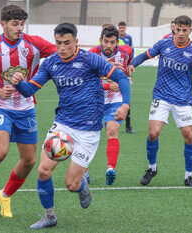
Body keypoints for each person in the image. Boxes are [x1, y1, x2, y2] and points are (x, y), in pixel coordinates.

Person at [11, 22, 131, 229]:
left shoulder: (90, 59)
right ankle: (49, 216)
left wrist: (126, 104)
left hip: (88, 131)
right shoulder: (50, 64)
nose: (62, 48)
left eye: (67, 43)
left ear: (76, 41)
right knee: (43, 171)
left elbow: (120, 77)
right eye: (58, 43)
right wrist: (18, 82)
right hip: (63, 126)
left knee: (71, 184)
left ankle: (81, 185)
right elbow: (29, 90)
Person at [0, 5, 56, 218]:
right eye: (14, 24)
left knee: (29, 161)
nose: (19, 28)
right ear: (3, 24)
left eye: (22, 24)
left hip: (26, 109)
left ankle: (5, 196)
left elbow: (66, 53)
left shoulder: (34, 44)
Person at [126, 15, 192, 187]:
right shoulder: (164, 44)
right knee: (153, 133)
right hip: (161, 96)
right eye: (178, 29)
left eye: (185, 30)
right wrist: (133, 64)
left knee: (189, 136)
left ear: (190, 30)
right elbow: (145, 55)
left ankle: (188, 176)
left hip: (183, 100)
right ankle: (152, 168)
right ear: (173, 28)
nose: (181, 33)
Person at [89, 25, 133, 185]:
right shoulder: (92, 54)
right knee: (88, 136)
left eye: (112, 42)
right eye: (105, 41)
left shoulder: (126, 51)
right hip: (93, 100)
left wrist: (128, 71)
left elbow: (129, 59)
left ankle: (111, 169)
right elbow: (86, 82)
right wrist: (108, 85)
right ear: (101, 40)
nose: (108, 46)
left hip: (115, 100)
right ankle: (84, 170)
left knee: (112, 130)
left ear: (117, 42)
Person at [118, 21, 135, 134]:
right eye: (120, 27)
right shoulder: (104, 43)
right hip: (108, 75)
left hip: (122, 72)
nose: (121, 29)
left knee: (125, 100)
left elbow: (131, 52)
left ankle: (128, 126)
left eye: (123, 27)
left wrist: (129, 75)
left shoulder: (128, 39)